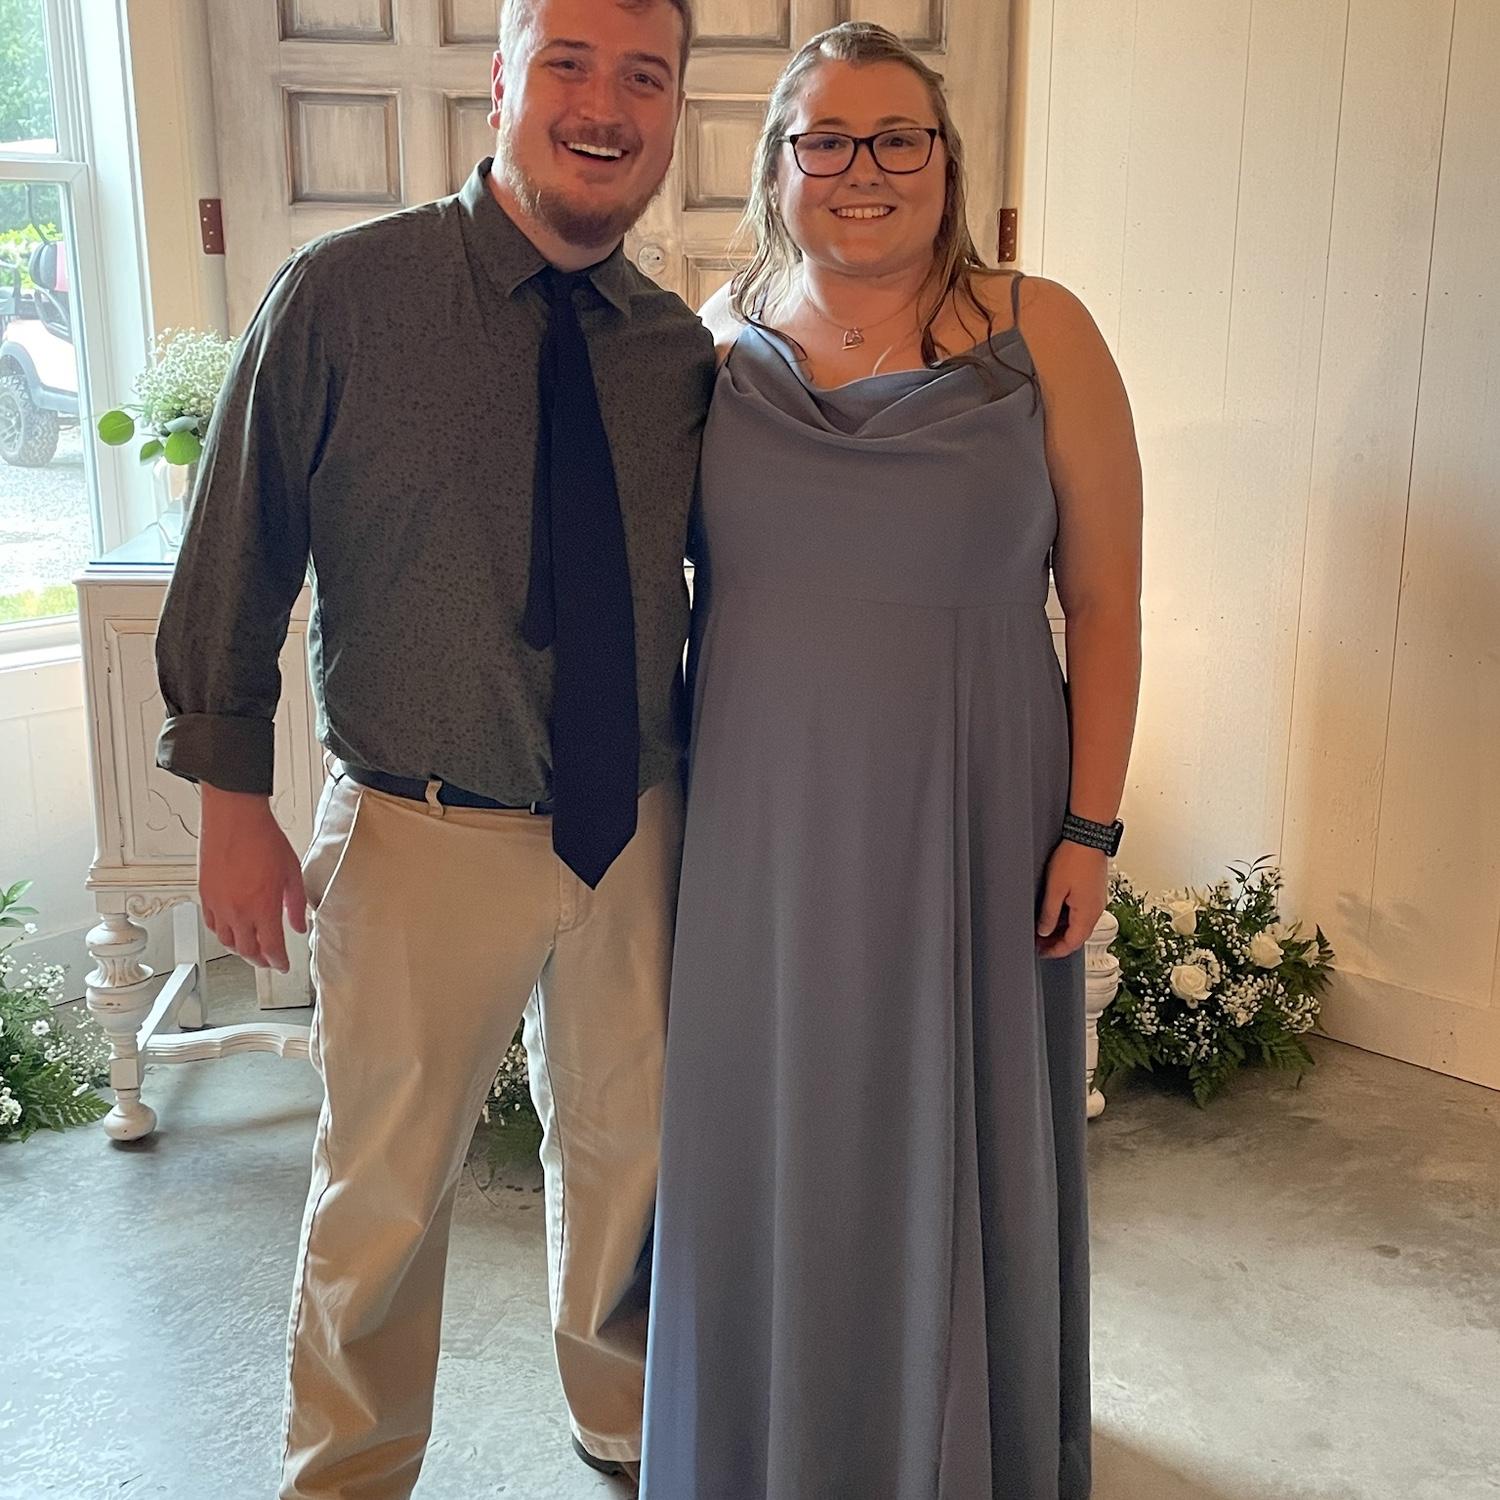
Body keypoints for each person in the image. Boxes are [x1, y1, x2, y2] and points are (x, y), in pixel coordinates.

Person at [152, 1, 713, 1494]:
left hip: (633, 824)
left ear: (673, 109)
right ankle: (348, 1470)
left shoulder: (675, 351)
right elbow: (237, 548)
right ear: (503, 81)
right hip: (420, 829)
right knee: (382, 1198)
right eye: (570, 65)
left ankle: (628, 1424)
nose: (605, 107)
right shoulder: (347, 296)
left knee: (633, 1164)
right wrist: (232, 803)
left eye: (643, 76)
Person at [641, 22, 1142, 1500]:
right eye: (827, 141)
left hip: (974, 806)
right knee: (774, 1134)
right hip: (762, 822)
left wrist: (1091, 827)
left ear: (946, 162)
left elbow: (1106, 601)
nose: (863, 169)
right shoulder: (713, 343)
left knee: (951, 1134)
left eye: (897, 138)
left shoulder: (1044, 331)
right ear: (777, 170)